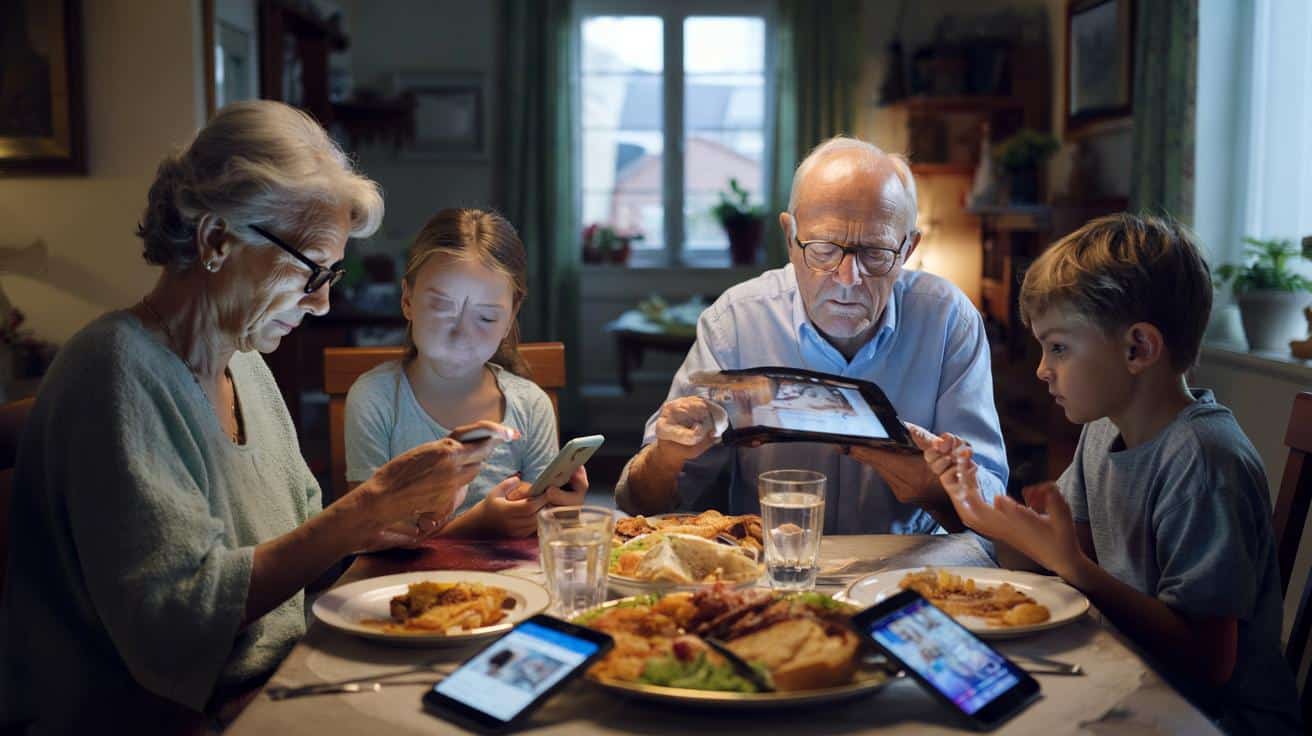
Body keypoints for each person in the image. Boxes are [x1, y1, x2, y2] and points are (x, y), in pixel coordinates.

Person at [0, 101, 509, 731]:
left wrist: (400, 514)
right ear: (216, 239)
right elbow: (175, 622)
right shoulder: (114, 369)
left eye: (333, 274)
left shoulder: (244, 365)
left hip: (280, 680)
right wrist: (360, 512)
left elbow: (303, 554)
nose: (322, 301)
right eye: (310, 269)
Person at [928, 214, 1302, 735]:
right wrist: (978, 512)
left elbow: (1208, 666)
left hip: (1221, 719)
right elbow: (1055, 561)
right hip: (1131, 673)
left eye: (1058, 347)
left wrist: (1074, 566)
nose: (1041, 369)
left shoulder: (1205, 460)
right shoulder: (1103, 432)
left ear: (1137, 349)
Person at [615, 136, 1008, 534]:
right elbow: (641, 506)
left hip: (909, 575)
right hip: (770, 571)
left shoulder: (947, 321)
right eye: (822, 249)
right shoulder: (734, 322)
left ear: (907, 248)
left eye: (874, 252)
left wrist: (931, 489)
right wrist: (666, 459)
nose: (847, 279)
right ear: (790, 237)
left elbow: (995, 504)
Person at [344, 209, 586, 538]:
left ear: (511, 315)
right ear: (407, 299)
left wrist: (559, 514)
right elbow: (365, 533)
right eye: (442, 308)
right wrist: (474, 526)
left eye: (485, 318)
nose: (461, 334)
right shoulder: (376, 399)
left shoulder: (529, 406)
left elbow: (547, 534)